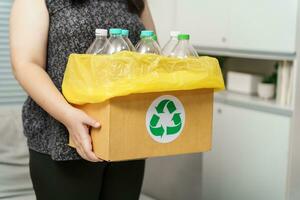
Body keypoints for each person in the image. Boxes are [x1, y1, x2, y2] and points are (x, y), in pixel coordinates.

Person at [9, 0, 156, 199]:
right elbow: (26, 64)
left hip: (126, 134)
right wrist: (68, 115)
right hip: (61, 136)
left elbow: (151, 54)